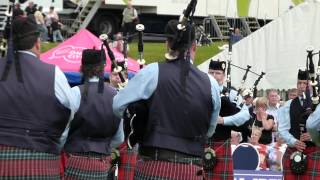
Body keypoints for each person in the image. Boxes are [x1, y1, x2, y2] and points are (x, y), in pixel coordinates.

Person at [113, 19, 221, 179]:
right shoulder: (211, 84)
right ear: (194, 47)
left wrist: (138, 119)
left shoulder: (152, 72)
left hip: (154, 166)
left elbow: (117, 105)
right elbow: (210, 130)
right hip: (191, 170)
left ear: (167, 44)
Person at [0, 15, 80, 179]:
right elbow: (70, 112)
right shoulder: (54, 73)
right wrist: (56, 141)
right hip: (42, 161)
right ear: (37, 42)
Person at [63, 49, 123, 179]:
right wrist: (102, 147)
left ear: (82, 67)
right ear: (103, 68)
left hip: (75, 160)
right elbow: (119, 138)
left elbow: (63, 131)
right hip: (102, 164)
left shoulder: (75, 92)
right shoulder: (116, 95)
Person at [206, 60, 250, 180]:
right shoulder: (200, 90)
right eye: (211, 72)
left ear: (224, 76)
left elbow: (245, 115)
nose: (214, 76)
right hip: (200, 142)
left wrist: (223, 120)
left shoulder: (232, 94)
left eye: (218, 73)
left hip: (221, 142)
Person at [278, 69, 320, 179]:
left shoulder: (318, 105)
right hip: (293, 151)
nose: (302, 86)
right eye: (299, 83)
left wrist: (313, 136)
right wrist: (294, 141)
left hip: (314, 151)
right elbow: (282, 129)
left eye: (305, 83)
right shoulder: (288, 105)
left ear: (311, 84)